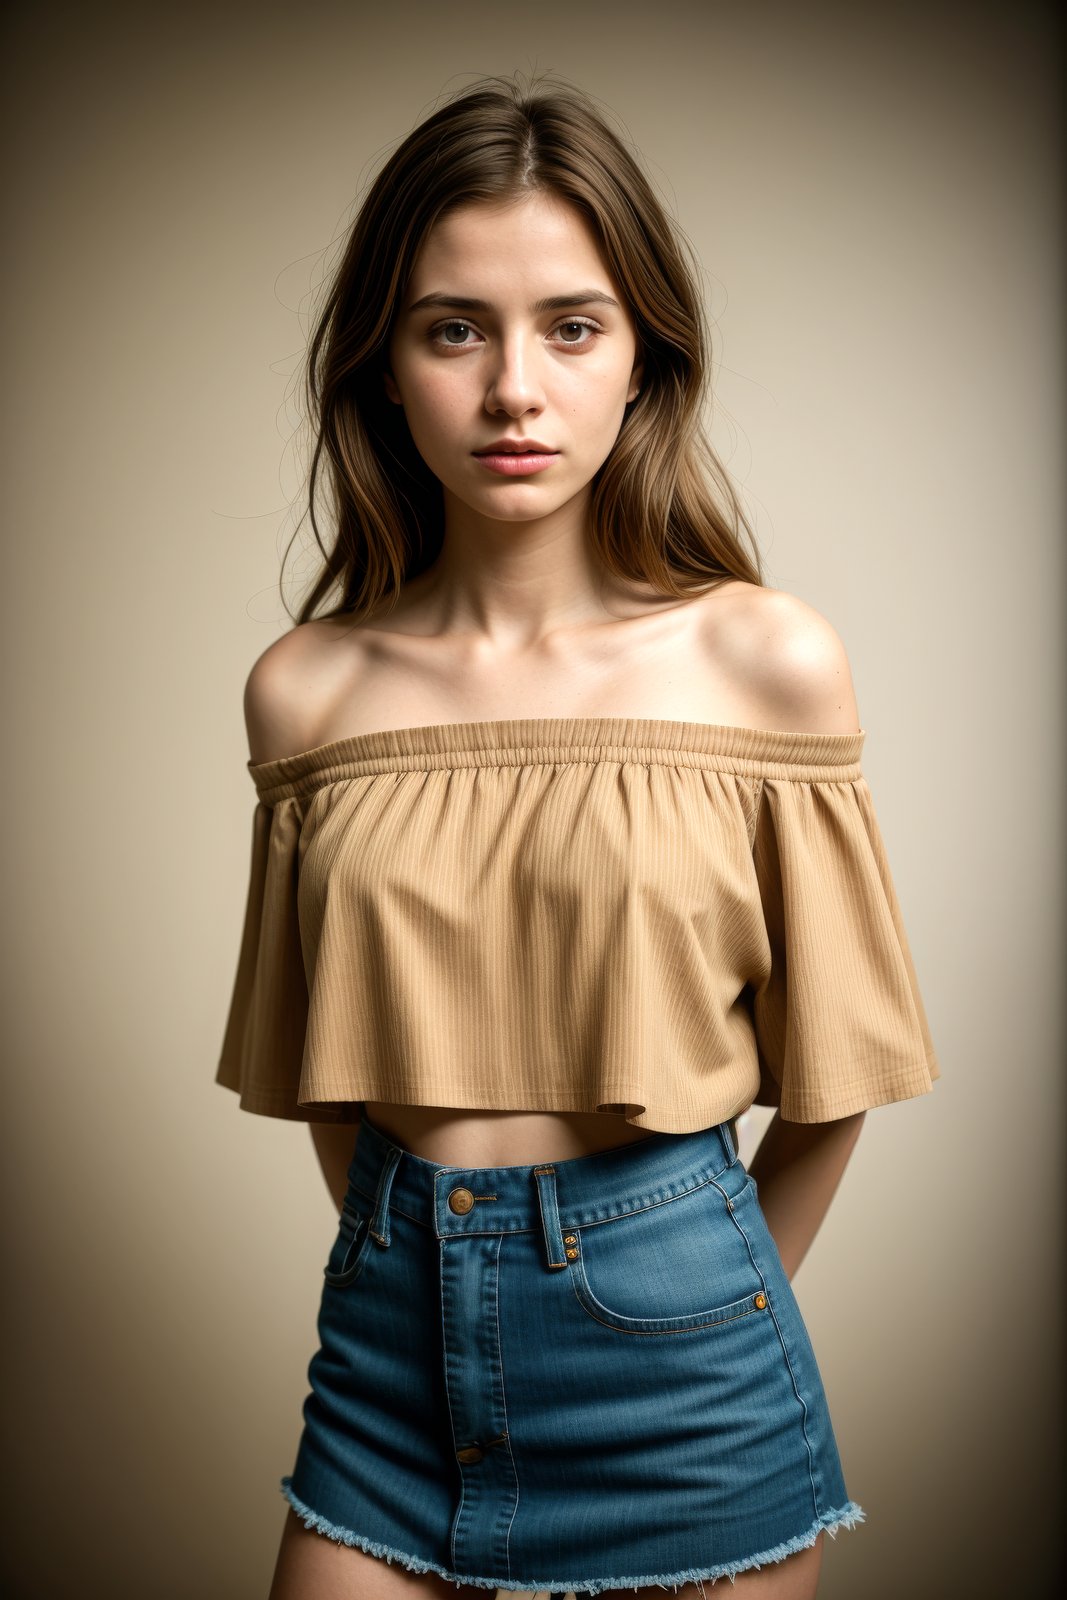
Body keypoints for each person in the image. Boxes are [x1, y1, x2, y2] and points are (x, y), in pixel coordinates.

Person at [216, 72, 940, 1600]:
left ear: (643, 362)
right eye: (453, 327)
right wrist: (431, 1266)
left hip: (684, 1355)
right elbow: (330, 1088)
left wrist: (701, 1298)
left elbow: (835, 1086)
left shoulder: (767, 661)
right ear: (385, 367)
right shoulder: (306, 692)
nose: (514, 393)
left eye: (572, 324)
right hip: (388, 1350)